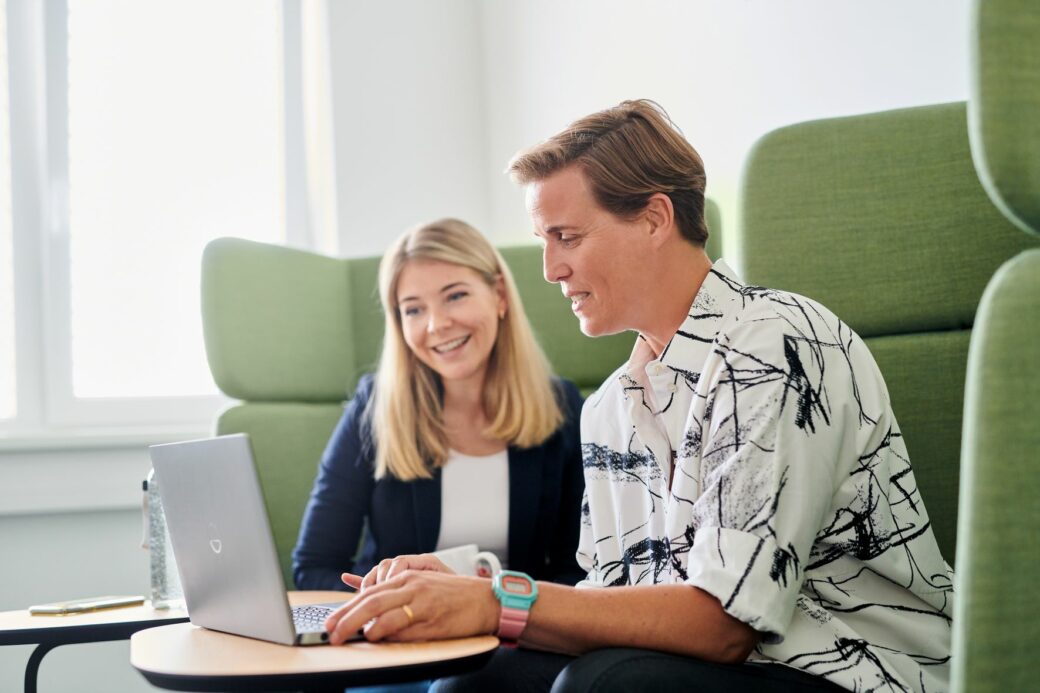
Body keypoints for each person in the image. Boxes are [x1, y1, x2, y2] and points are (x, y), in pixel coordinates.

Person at [322, 102, 954, 693]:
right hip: (705, 668)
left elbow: (725, 626)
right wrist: (473, 590)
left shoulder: (775, 343)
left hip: (853, 671)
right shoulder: (609, 409)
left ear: (654, 218)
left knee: (603, 685)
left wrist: (494, 598)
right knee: (477, 680)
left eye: (566, 237)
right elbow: (610, 604)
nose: (549, 270)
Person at [292, 218, 586, 595]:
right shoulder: (375, 407)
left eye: (455, 296)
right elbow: (315, 566)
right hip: (402, 637)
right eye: (413, 310)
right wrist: (388, 604)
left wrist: (488, 605)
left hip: (516, 637)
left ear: (499, 295)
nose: (436, 325)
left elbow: (579, 572)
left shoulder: (563, 409)